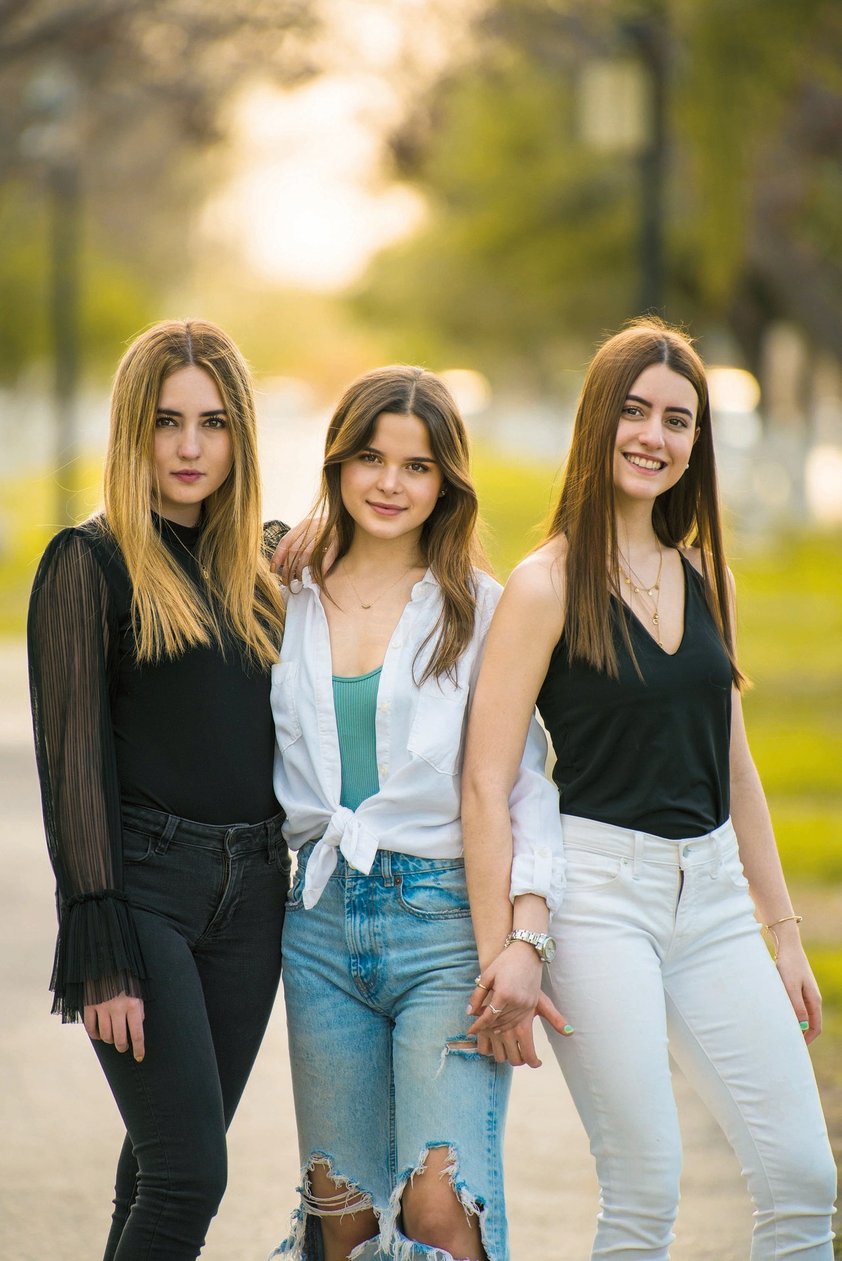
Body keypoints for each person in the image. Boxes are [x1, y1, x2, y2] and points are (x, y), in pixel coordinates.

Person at [461, 318, 837, 1259]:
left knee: (804, 1178)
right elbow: (484, 780)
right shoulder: (544, 586)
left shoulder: (710, 576)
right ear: (598, 422)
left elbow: (734, 763)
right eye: (634, 412)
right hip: (599, 900)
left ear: (695, 442)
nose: (654, 437)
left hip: (711, 897)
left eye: (678, 420)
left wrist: (781, 928)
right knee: (645, 1189)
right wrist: (505, 949)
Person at [269, 365, 568, 1261]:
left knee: (442, 1206)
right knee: (342, 1213)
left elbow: (524, 788)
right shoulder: (284, 594)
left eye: (417, 465)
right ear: (337, 464)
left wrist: (526, 932)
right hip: (318, 927)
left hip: (442, 929)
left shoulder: (480, 610)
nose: (390, 484)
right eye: (370, 457)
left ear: (447, 483)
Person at [28, 319, 291, 1261]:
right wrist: (100, 944)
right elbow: (72, 764)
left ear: (240, 436)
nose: (189, 447)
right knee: (191, 1173)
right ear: (132, 431)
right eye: (167, 421)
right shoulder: (87, 565)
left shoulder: (267, 567)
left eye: (213, 423)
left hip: (256, 896)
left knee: (157, 1166)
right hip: (146, 893)